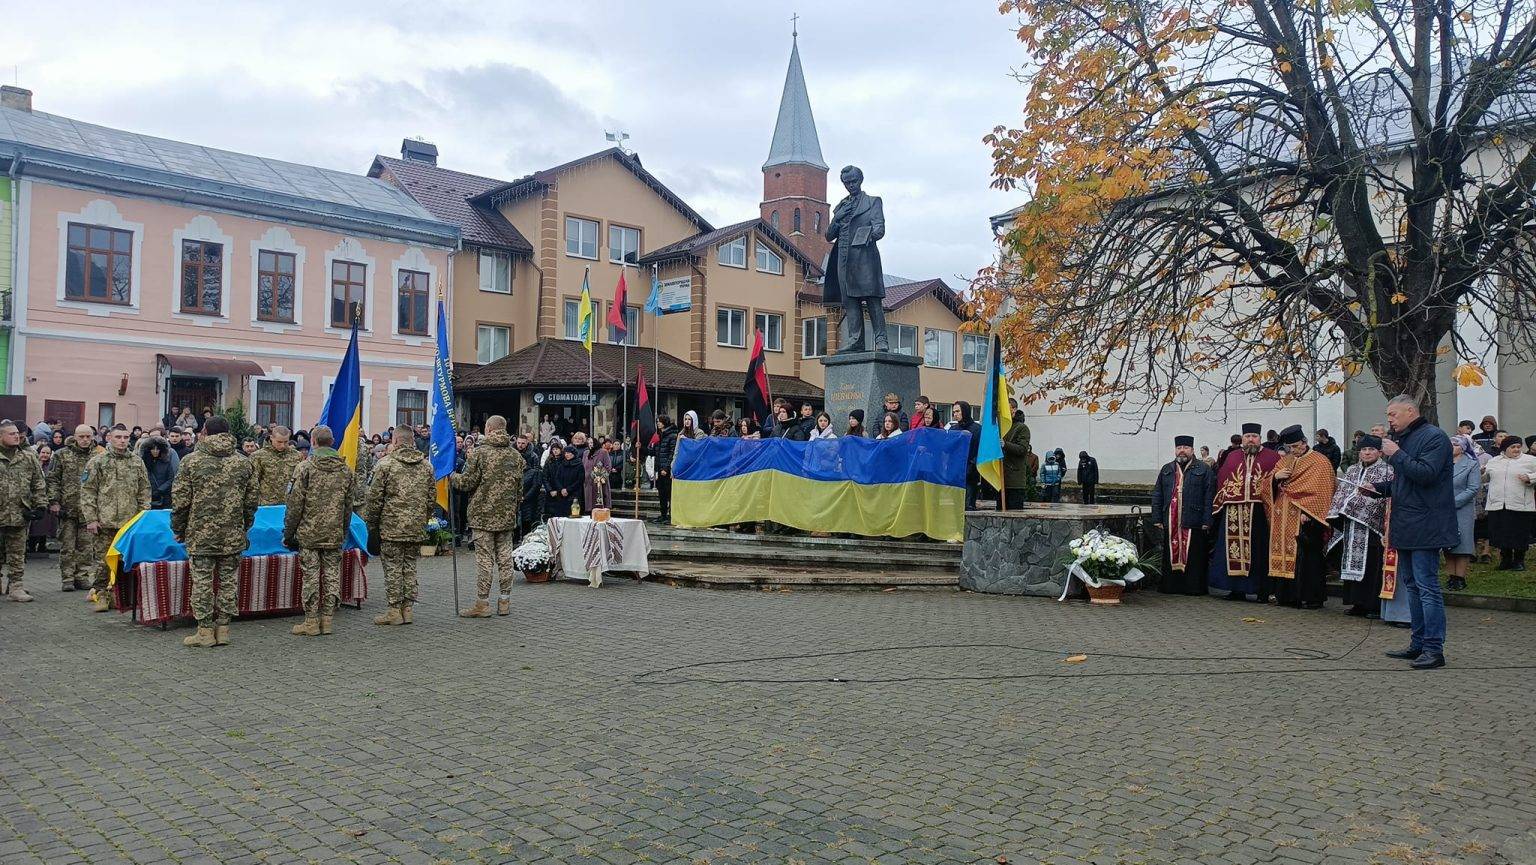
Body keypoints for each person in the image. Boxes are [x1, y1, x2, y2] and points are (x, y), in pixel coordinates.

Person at [1368, 396, 1455, 669]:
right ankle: (1417, 644)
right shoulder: (1405, 439)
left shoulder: (1434, 438)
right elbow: (1405, 481)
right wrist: (1379, 489)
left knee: (1427, 587)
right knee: (1413, 587)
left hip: (1427, 524)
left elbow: (1427, 474)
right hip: (1406, 523)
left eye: (1393, 414)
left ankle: (1434, 649)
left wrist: (1397, 454)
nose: (1389, 420)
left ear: (1410, 411)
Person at [170, 417, 256, 647]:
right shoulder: (244, 463)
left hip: (200, 534)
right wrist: (244, 525)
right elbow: (251, 502)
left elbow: (180, 501)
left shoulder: (190, 461)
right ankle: (224, 629)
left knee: (202, 582)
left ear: (205, 432)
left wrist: (178, 528)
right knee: (229, 581)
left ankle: (205, 631)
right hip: (233, 533)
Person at [282, 425, 357, 638]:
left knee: (311, 577)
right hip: (334, 532)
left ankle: (311, 621)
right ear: (332, 442)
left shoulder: (304, 468)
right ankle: (328, 620)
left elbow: (294, 505)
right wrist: (343, 530)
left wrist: (289, 533)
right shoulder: (345, 470)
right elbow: (348, 506)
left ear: (313, 442)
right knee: (333, 575)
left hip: (309, 533)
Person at [449, 415, 525, 619]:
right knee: (505, 558)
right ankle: (504, 601)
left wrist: (450, 475)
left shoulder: (479, 453)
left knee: (484, 560)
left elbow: (467, 483)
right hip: (506, 517)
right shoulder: (516, 455)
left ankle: (482, 603)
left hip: (482, 516)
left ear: (489, 429)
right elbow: (520, 490)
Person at [362, 424, 436, 627]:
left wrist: (372, 525)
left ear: (394, 441)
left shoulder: (385, 465)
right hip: (415, 527)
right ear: (412, 441)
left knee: (393, 568)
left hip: (391, 526)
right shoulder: (426, 466)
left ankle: (394, 610)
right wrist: (422, 518)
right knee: (410, 566)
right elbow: (431, 499)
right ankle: (408, 609)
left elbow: (374, 498)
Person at [79, 424, 151, 613]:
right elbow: (88, 492)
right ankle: (102, 594)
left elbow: (144, 490)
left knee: (127, 562)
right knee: (103, 561)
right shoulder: (98, 462)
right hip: (105, 521)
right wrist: (91, 519)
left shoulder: (137, 462)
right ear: (109, 438)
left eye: (126, 437)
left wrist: (143, 515)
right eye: (118, 437)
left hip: (130, 523)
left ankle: (123, 596)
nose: (122, 441)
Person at [1211, 423, 1282, 602]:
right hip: (1233, 510)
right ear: (1242, 439)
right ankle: (1236, 590)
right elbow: (1222, 479)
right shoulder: (1232, 457)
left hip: (1260, 510)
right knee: (1232, 551)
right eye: (1247, 436)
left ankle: (1261, 591)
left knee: (1259, 551)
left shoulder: (1272, 457)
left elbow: (1280, 483)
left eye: (1254, 436)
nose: (1251, 439)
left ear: (1260, 438)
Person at [1325, 434, 1393, 617]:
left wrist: (1356, 507)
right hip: (1351, 526)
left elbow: (1384, 499)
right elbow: (1342, 493)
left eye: (1371, 449)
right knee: (1349, 564)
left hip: (1371, 526)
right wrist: (1337, 511)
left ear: (1379, 452)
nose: (1367, 453)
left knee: (1372, 565)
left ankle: (1373, 606)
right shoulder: (1352, 470)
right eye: (1364, 450)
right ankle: (1357, 603)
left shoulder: (1386, 470)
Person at [1269, 424, 1336, 609]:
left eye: (1296, 446)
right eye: (1289, 448)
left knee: (1308, 558)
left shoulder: (1319, 461)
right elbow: (1266, 484)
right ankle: (1288, 596)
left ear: (1305, 442)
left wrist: (1309, 512)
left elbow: (1323, 490)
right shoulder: (1285, 460)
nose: (1293, 451)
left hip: (1306, 518)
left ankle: (1311, 596)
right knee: (1285, 554)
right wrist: (1276, 477)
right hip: (1283, 514)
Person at [1150, 435, 1216, 595]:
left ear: (1192, 450)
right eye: (1179, 448)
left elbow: (1209, 496)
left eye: (1186, 448)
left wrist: (1208, 519)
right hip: (1171, 519)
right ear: (1175, 450)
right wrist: (1157, 517)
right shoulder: (1167, 469)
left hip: (1194, 519)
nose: (1182, 451)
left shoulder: (1203, 469)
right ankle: (1171, 586)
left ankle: (1193, 588)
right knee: (1170, 554)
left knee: (1194, 555)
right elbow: (1158, 494)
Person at [48, 424, 100, 593]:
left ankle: (82, 576)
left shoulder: (99, 456)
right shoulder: (61, 455)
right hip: (67, 507)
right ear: (75, 437)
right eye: (81, 437)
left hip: (89, 510)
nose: (85, 440)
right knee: (68, 546)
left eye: (88, 437)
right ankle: (68, 578)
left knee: (86, 547)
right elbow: (53, 479)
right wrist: (54, 501)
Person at [0, 420, 47, 602]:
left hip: (20, 513)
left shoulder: (28, 457)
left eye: (18, 433)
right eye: (11, 434)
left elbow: (38, 483)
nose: (17, 436)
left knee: (17, 553)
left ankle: (16, 587)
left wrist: (40, 505)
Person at [1481, 435, 1536, 571]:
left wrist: (1530, 477)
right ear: (1505, 448)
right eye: (1513, 447)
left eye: (1518, 446)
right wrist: (1481, 472)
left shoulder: (1530, 460)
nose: (1516, 449)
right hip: (1498, 504)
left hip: (1520, 504)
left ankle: (1519, 560)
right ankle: (1505, 560)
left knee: (1519, 533)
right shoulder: (1494, 461)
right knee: (1501, 533)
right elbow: (1485, 479)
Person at [1444, 435, 1481, 591]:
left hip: (1462, 509)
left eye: (1455, 444)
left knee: (1462, 544)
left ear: (1463, 447)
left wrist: (1453, 502)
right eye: (1450, 444)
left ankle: (1460, 577)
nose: (1452, 446)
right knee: (1447, 544)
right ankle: (1451, 577)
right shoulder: (1442, 464)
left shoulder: (1471, 464)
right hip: (1442, 509)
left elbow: (1473, 488)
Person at [249, 425, 304, 506]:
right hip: (267, 505)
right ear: (271, 438)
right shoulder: (258, 456)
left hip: (290, 505)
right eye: (279, 442)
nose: (283, 445)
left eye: (286, 442)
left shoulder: (297, 456)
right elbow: (253, 483)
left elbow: (301, 481)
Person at [947, 402, 982, 509]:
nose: (955, 414)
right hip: (956, 470)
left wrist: (973, 464)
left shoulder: (977, 428)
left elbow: (980, 449)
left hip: (971, 470)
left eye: (957, 411)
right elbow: (948, 449)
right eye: (953, 412)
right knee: (956, 505)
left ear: (965, 411)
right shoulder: (953, 429)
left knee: (968, 504)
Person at [1000, 399, 1032, 508]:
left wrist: (1005, 444)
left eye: (1006, 408)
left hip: (1014, 481)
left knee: (1015, 515)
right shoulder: (1001, 427)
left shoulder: (1022, 428)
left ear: (1014, 409)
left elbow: (1022, 449)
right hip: (1001, 479)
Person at [28, 445, 57, 556]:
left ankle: (42, 545)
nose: (45, 455)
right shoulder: (33, 464)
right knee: (34, 525)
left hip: (47, 498)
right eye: (43, 452)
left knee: (45, 524)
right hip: (33, 498)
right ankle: (31, 545)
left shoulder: (51, 466)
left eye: (47, 453)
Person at [545, 445, 585, 517]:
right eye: (565, 453)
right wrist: (561, 489)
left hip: (574, 494)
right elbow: (557, 478)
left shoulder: (579, 465)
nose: (567, 455)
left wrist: (568, 489)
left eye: (569, 453)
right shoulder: (562, 464)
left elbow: (580, 480)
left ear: (573, 454)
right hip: (562, 495)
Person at [141, 435, 179, 510]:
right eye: (153, 449)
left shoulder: (166, 463)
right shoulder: (143, 463)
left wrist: (160, 490)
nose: (155, 451)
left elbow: (171, 479)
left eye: (157, 449)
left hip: (164, 497)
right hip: (147, 497)